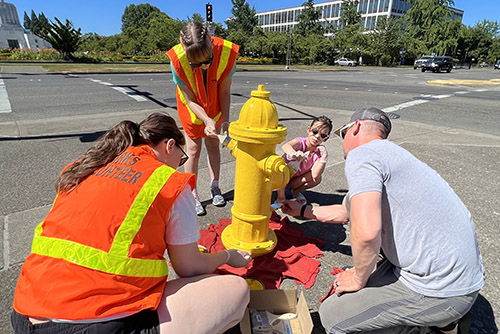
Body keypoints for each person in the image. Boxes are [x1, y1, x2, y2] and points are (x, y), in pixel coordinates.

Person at [11, 113, 252, 334]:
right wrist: (228, 256)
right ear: (170, 146)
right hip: (90, 323)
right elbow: (190, 268)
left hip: (25, 310)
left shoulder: (86, 167)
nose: (180, 164)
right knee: (236, 290)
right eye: (182, 158)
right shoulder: (167, 182)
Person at [282, 108, 485, 333]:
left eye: (342, 135)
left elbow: (367, 233)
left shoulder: (363, 155)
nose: (341, 143)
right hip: (461, 278)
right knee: (366, 272)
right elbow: (346, 211)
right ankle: (445, 322)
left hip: (440, 290)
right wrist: (302, 211)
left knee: (333, 316)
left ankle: (424, 326)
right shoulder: (393, 157)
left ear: (355, 127)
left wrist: (358, 277)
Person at [167, 22, 239, 216]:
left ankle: (215, 186)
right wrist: (206, 119)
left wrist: (224, 121)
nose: (203, 66)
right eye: (196, 64)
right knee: (192, 149)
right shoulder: (177, 61)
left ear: (210, 39)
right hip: (192, 111)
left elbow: (224, 92)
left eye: (207, 60)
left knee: (214, 146)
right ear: (183, 46)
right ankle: (192, 192)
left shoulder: (226, 53)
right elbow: (189, 100)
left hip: (215, 107)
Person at [276, 116, 332, 204]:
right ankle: (281, 198)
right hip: (280, 177)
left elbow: (315, 175)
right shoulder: (301, 142)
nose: (317, 136)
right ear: (309, 130)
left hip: (294, 181)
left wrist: (324, 157)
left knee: (317, 179)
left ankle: (295, 193)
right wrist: (293, 153)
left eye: (322, 135)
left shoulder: (318, 152)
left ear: (326, 138)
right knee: (283, 171)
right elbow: (286, 146)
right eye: (315, 132)